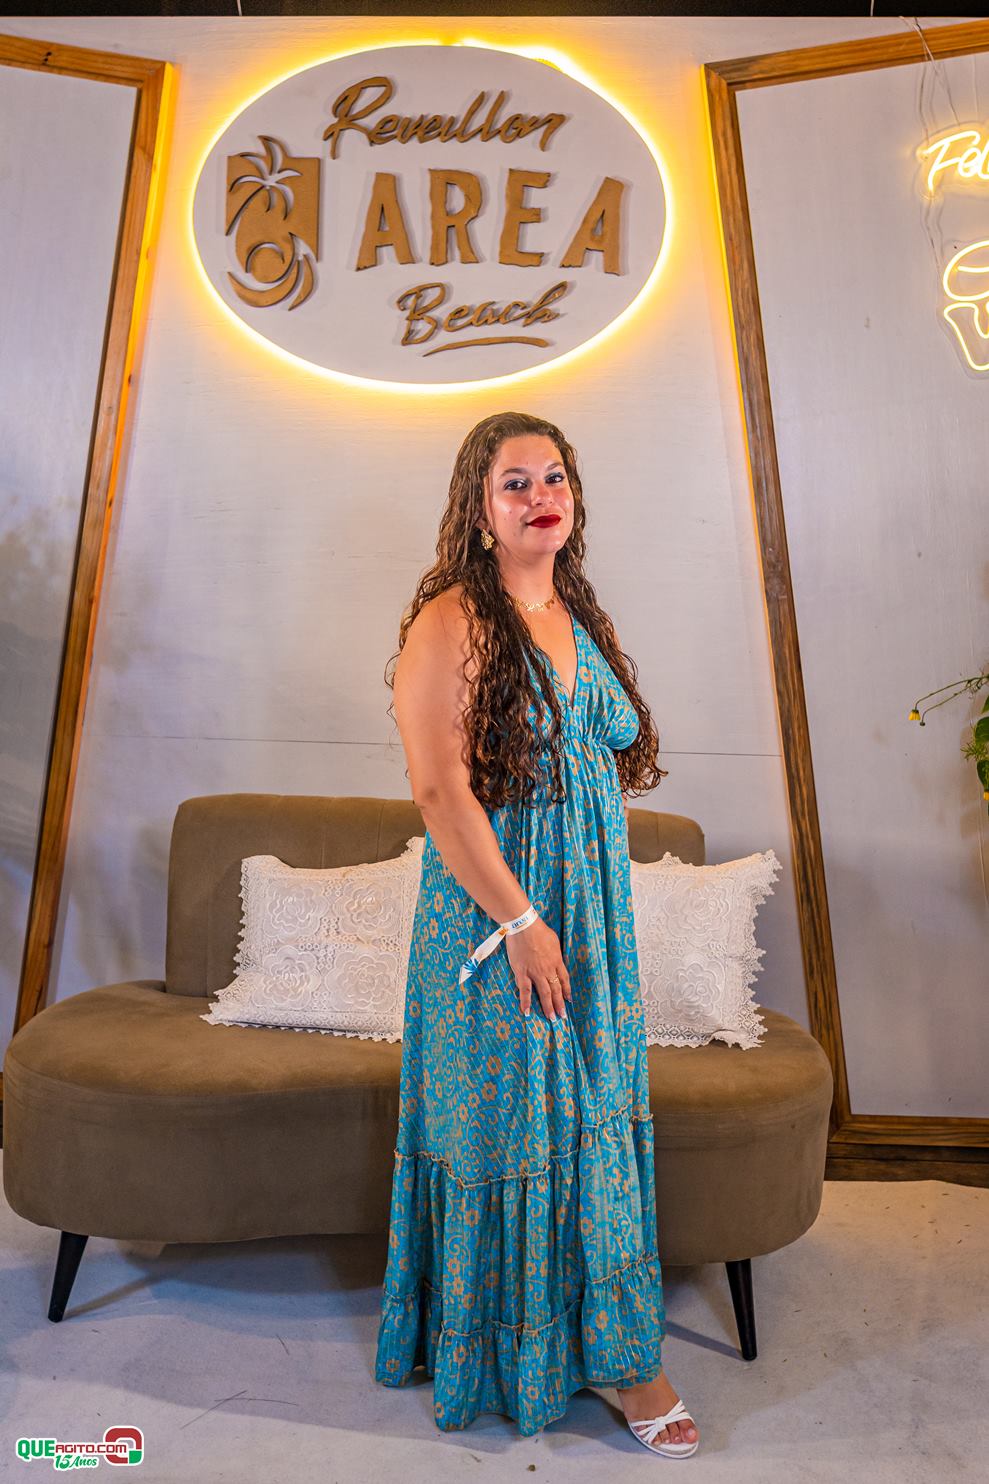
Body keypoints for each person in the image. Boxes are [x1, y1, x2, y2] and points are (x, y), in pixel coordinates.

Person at [373, 411, 700, 1457]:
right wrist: (520, 919)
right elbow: (438, 789)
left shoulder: (570, 611)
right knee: (521, 1129)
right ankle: (592, 1365)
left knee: (588, 1121)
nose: (538, 496)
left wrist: (570, 912)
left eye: (553, 477)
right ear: (478, 508)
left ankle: (604, 1351)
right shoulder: (451, 620)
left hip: (588, 915)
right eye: (514, 481)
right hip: (498, 917)